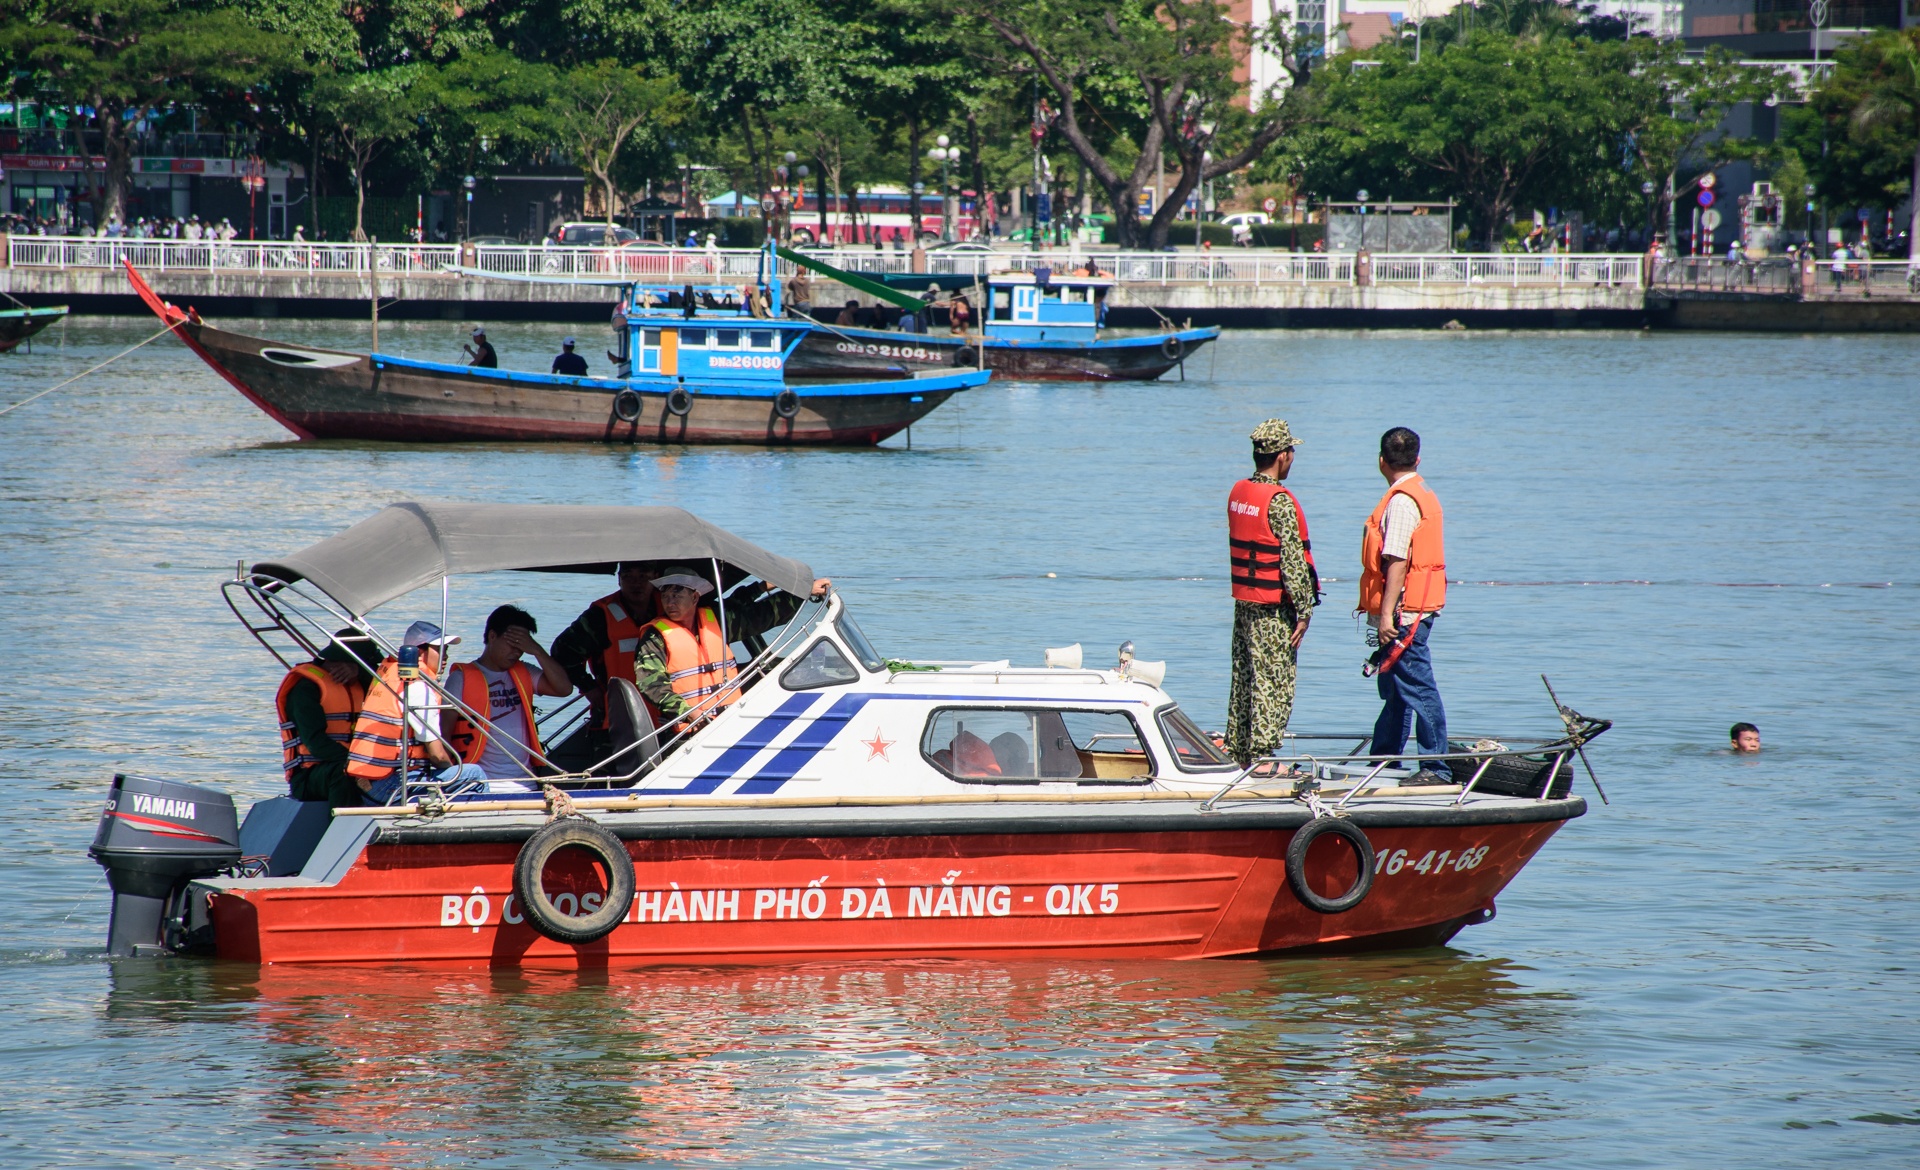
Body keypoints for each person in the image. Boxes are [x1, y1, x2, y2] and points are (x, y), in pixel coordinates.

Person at [1224, 419, 1319, 767]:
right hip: (1272, 610)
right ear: (1282, 455)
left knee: (1245, 676)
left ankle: (1239, 750)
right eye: (1291, 451)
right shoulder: (1279, 502)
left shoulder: (1238, 492)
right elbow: (1292, 563)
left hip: (1244, 604)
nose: (1293, 457)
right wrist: (1305, 611)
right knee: (1273, 681)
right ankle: (1263, 758)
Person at [634, 566, 832, 731]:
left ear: (694, 598)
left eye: (677, 594)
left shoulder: (717, 621)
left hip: (729, 721)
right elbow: (652, 686)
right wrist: (688, 713)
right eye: (665, 596)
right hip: (686, 731)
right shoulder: (654, 637)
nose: (670, 602)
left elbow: (764, 614)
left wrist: (804, 592)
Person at [1360, 427, 1450, 782]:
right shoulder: (1421, 491)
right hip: (1416, 607)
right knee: (1397, 688)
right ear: (1417, 459)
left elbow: (1396, 561)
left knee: (1417, 686)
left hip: (1405, 613)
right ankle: (1384, 758)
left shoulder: (1400, 502)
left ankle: (1436, 767)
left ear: (1382, 461)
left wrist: (1386, 617)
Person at [346, 622, 488, 803]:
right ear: (420, 652)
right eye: (440, 650)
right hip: (391, 785)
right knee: (473, 774)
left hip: (366, 782)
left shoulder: (390, 676)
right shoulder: (417, 685)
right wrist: (453, 773)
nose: (445, 657)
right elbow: (437, 755)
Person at [443, 606, 573, 783]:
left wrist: (537, 651)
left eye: (522, 647)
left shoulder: (525, 671)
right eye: (512, 644)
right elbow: (444, 733)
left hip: (525, 781)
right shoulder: (460, 679)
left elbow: (564, 689)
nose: (517, 652)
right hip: (481, 783)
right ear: (492, 636)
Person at [550, 563, 663, 752]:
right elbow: (562, 651)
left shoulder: (670, 606)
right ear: (619, 580)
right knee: (613, 776)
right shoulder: (600, 616)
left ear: (656, 577)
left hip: (666, 716)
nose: (636, 584)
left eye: (643, 576)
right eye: (628, 576)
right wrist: (588, 687)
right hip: (616, 719)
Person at [276, 630, 381, 807]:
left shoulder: (362, 681)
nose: (369, 667)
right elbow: (316, 743)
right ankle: (343, 828)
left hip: (354, 764)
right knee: (343, 773)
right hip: (309, 775)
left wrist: (359, 671)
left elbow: (385, 680)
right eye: (365, 663)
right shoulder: (306, 688)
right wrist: (357, 765)